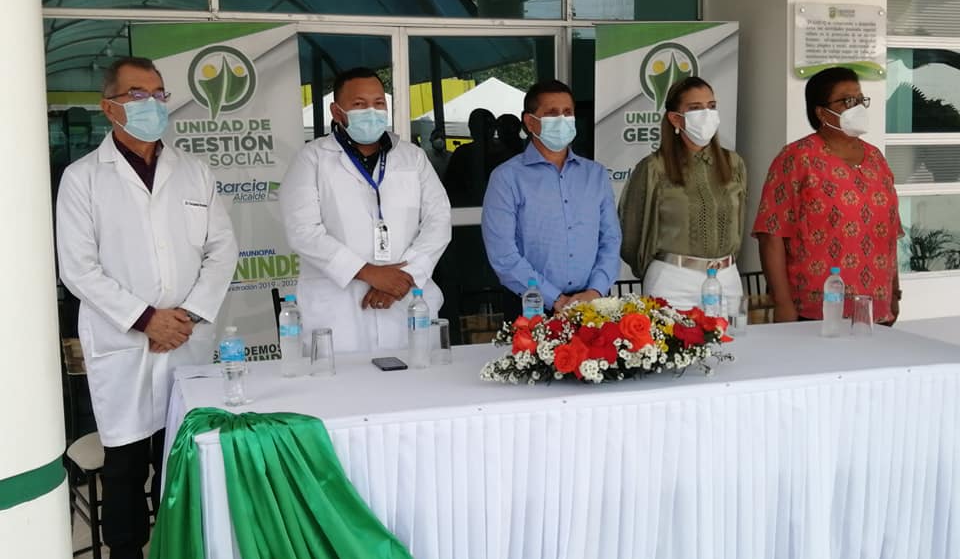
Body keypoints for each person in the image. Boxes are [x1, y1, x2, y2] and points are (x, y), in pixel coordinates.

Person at [56, 56, 238, 559]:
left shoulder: (195, 172)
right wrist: (145, 319)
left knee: (182, 463)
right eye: (138, 94)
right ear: (109, 106)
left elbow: (221, 250)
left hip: (185, 338)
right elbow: (78, 268)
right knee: (125, 472)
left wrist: (188, 315)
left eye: (159, 93)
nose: (152, 104)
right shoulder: (83, 178)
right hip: (124, 344)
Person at [280, 67, 452, 352]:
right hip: (338, 309)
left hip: (405, 299)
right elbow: (303, 231)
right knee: (342, 378)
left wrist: (403, 279)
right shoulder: (312, 159)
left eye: (378, 103)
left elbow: (439, 220)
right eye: (359, 104)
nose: (371, 112)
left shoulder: (412, 157)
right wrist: (368, 272)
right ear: (337, 112)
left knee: (416, 373)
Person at [753, 66, 902, 324]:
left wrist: (894, 292)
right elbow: (771, 234)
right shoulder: (797, 157)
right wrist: (783, 303)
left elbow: (888, 230)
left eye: (860, 99)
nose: (858, 107)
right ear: (821, 112)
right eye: (847, 101)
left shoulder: (876, 158)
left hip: (875, 307)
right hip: (817, 309)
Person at [482, 79, 621, 319]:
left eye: (568, 112)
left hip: (591, 304)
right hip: (532, 305)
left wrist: (595, 291)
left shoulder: (595, 174)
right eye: (552, 113)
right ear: (530, 122)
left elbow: (610, 239)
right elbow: (503, 253)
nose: (562, 119)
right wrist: (555, 299)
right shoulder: (507, 178)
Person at [618, 76, 747, 309]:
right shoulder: (654, 167)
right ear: (675, 118)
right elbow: (630, 234)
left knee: (733, 334)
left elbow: (739, 222)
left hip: (727, 278)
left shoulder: (733, 163)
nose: (706, 114)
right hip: (673, 280)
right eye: (696, 108)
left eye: (711, 106)